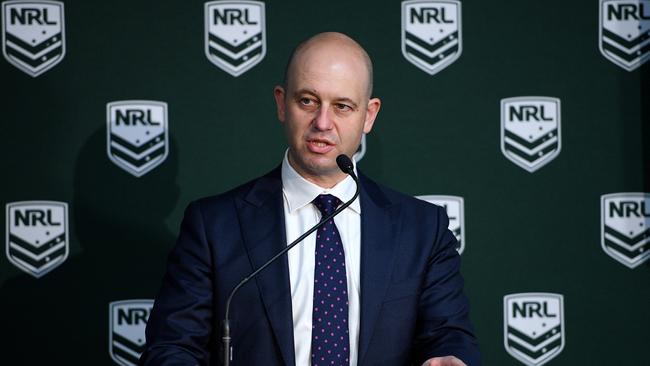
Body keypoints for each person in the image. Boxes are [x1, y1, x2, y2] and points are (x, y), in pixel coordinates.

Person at [140, 32, 480, 366]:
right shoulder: (214, 226)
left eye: (342, 106)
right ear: (280, 103)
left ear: (369, 115)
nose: (322, 122)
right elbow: (173, 347)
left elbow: (447, 334)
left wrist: (450, 358)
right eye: (307, 101)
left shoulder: (422, 229)